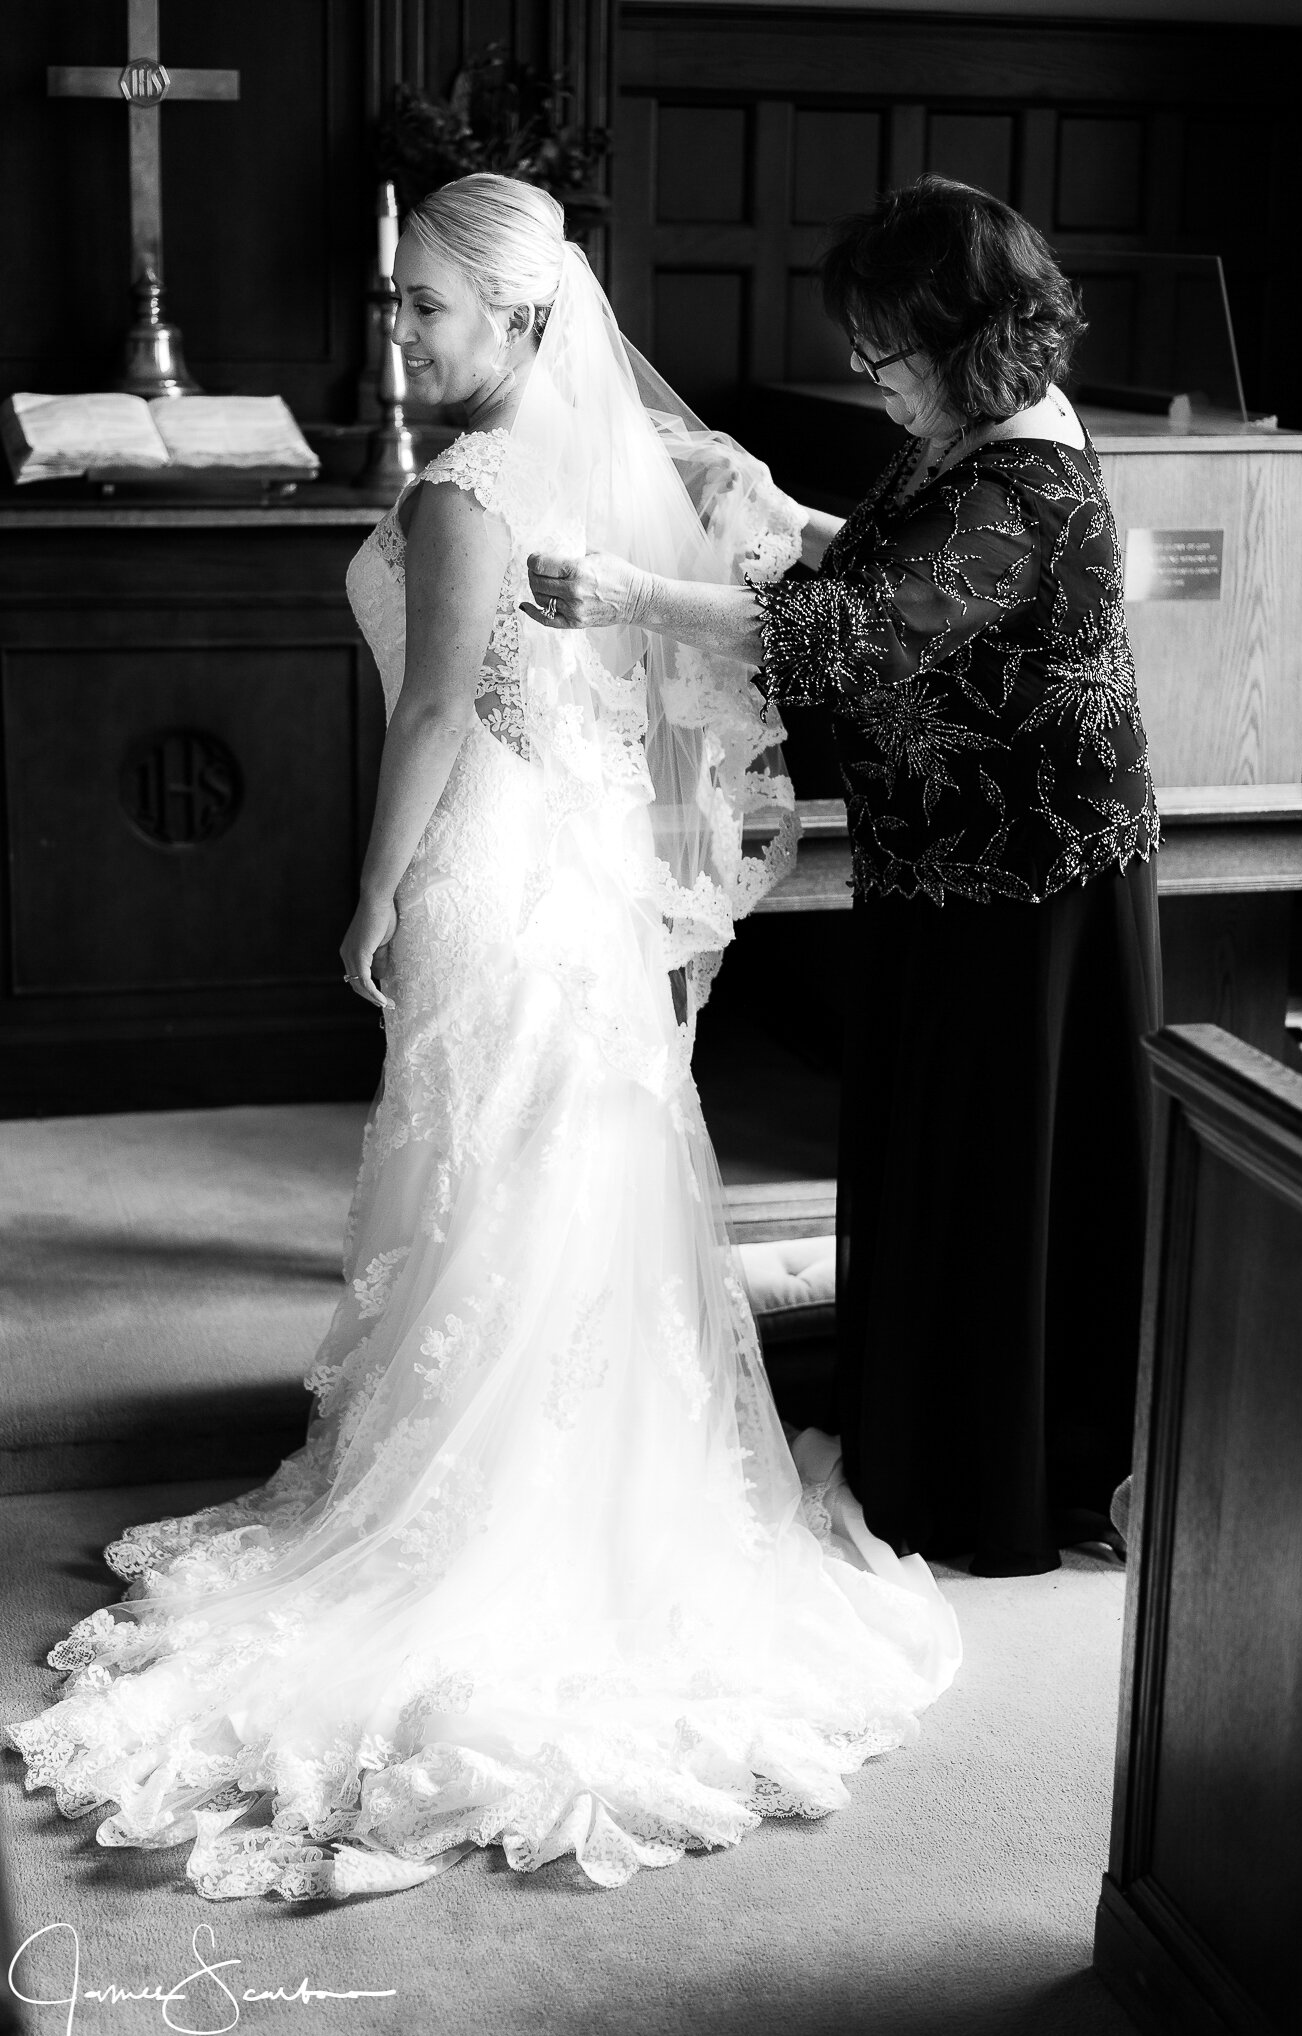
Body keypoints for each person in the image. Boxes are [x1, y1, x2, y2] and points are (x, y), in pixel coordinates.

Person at [3, 176, 961, 1900]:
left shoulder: (466, 486)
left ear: (525, 321)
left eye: (427, 307)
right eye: (397, 302)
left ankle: (483, 1522)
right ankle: (569, 1492)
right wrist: (676, 894)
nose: (400, 329)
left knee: (496, 1177)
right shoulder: (610, 462)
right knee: (552, 1185)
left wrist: (369, 893)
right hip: (583, 878)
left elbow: (440, 708)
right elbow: (675, 699)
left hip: (499, 875)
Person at [525, 175, 1162, 1578]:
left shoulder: (1028, 479)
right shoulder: (959, 449)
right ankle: (920, 1430)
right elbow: (882, 562)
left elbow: (866, 633)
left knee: (998, 1176)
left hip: (1033, 885)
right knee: (927, 1158)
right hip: (945, 867)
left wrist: (636, 598)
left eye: (885, 349)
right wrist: (774, 506)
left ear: (963, 338)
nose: (869, 376)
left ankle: (1007, 1473)